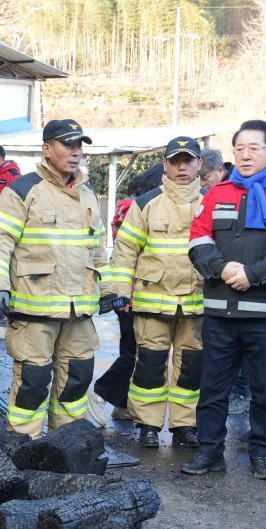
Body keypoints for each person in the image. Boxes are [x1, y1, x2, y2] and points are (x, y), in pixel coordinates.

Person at [181, 120, 266, 479]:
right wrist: (223, 269)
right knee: (212, 386)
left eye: (254, 148)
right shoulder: (217, 193)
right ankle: (210, 452)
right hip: (221, 310)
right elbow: (198, 240)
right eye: (239, 148)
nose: (245, 155)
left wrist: (252, 275)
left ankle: (261, 452)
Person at [0, 118, 101, 437]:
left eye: (79, 146)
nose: (75, 152)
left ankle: (68, 445)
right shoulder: (22, 190)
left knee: (77, 378)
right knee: (32, 383)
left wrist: (111, 288)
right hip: (34, 307)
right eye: (68, 145)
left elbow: (98, 248)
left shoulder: (88, 194)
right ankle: (24, 445)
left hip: (79, 310)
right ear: (47, 149)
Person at [100, 137, 206, 448]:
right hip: (151, 301)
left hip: (195, 303)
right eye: (176, 161)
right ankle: (147, 424)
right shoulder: (145, 203)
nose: (182, 166)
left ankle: (184, 425)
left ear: (199, 163)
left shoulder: (212, 202)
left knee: (189, 370)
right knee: (148, 367)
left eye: (188, 160)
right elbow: (124, 253)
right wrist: (118, 292)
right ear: (165, 165)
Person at [94, 162, 166, 419]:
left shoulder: (126, 206)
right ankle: (103, 390)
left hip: (130, 289)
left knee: (131, 349)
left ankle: (121, 405)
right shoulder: (139, 209)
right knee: (137, 351)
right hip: (134, 292)